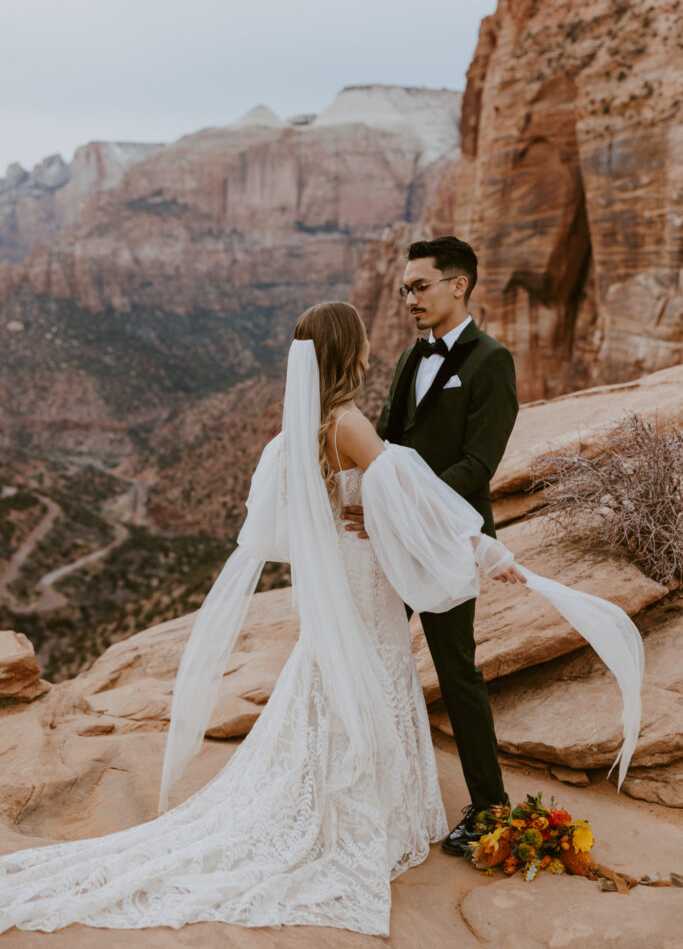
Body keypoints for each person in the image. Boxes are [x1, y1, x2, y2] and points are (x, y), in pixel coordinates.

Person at [0, 302, 643, 938]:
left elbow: (283, 525)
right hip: (361, 579)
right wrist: (485, 550)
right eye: (361, 342)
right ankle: (350, 807)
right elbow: (416, 501)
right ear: (348, 353)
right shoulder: (348, 423)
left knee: (331, 674)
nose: (369, 351)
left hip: (333, 571)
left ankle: (321, 786)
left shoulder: (295, 432)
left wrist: (348, 516)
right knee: (374, 670)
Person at [342, 235, 520, 855]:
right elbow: (387, 442)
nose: (408, 299)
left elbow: (479, 463)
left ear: (458, 285)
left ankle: (491, 808)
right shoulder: (412, 358)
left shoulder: (491, 360)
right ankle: (369, 788)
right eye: (404, 290)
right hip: (394, 537)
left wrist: (416, 510)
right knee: (370, 654)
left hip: (446, 539)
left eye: (419, 286)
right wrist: (372, 505)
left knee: (457, 671)